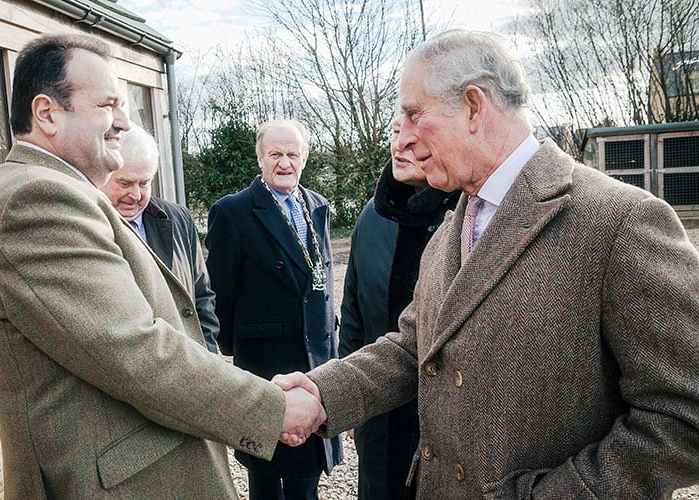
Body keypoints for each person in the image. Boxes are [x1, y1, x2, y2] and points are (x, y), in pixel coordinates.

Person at [275, 29, 699, 498]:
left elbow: (684, 416)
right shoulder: (453, 223)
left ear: (474, 107)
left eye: (414, 114)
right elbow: (414, 347)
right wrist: (322, 394)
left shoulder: (621, 222)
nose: (404, 138)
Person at [0, 33, 323, 498]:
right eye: (108, 105)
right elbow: (136, 350)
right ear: (47, 114)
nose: (122, 123)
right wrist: (273, 408)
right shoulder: (36, 200)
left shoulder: (59, 193)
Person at [205, 119, 343, 500]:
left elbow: (323, 281)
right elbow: (220, 299)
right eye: (276, 154)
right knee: (266, 473)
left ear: (305, 158)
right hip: (266, 367)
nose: (285, 163)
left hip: (316, 359)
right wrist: (246, 344)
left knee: (307, 473)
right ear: (260, 158)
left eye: (293, 154)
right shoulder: (233, 212)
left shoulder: (317, 206)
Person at [340, 111, 459, 500]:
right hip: (380, 408)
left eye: (413, 131)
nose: (399, 143)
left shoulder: (466, 216)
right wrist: (350, 396)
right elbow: (353, 312)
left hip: (446, 415)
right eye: (393, 132)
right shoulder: (373, 217)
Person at [99, 124, 220, 353]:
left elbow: (202, 297)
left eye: (144, 183)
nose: (135, 195)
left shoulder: (178, 218)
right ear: (101, 175)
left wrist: (208, 355)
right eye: (125, 183)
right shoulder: (89, 227)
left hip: (192, 368)